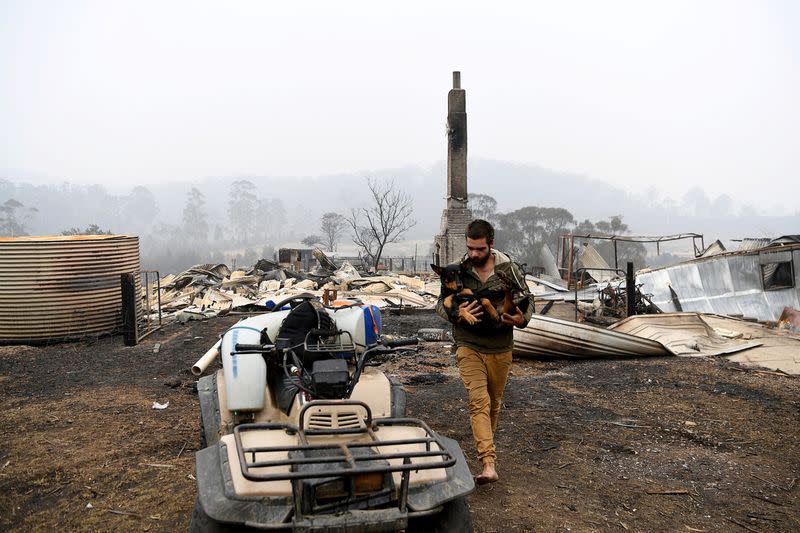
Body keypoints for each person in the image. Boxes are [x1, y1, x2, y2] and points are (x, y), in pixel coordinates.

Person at [435, 219, 534, 485]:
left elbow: (528, 300)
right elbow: (440, 304)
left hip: (501, 346)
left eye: (479, 249)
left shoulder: (508, 268)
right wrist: (458, 313)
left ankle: (485, 448)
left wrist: (521, 318)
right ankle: (488, 463)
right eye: (470, 248)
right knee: (478, 402)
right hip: (469, 345)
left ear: (491, 244)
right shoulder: (457, 269)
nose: (474, 254)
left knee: (493, 403)